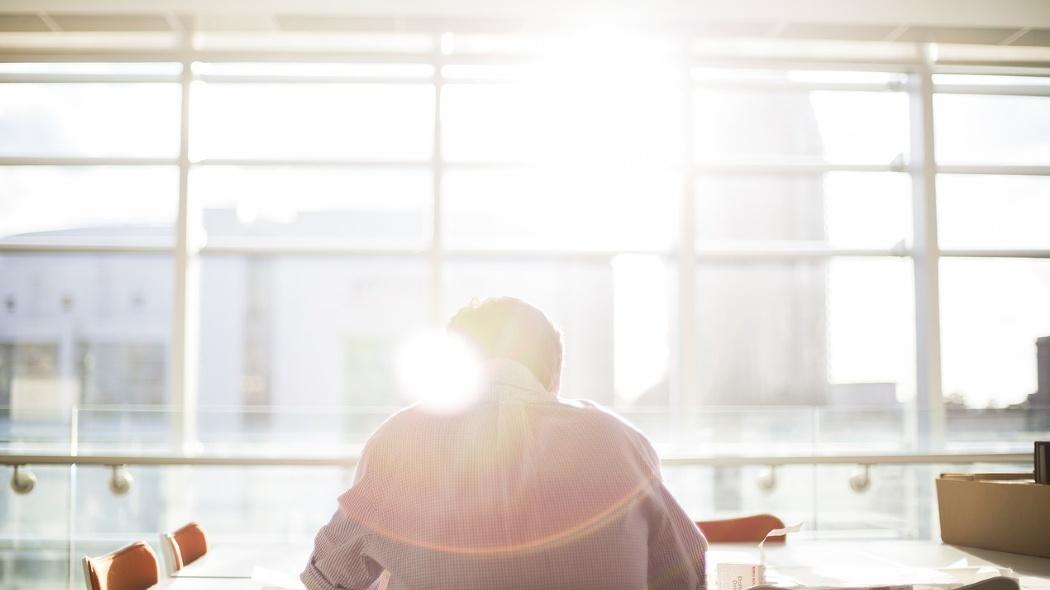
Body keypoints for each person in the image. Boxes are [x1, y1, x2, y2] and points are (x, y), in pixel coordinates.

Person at [302, 297, 707, 590]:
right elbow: (688, 573)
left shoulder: (401, 441)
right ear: (554, 379)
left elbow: (326, 581)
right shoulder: (620, 442)